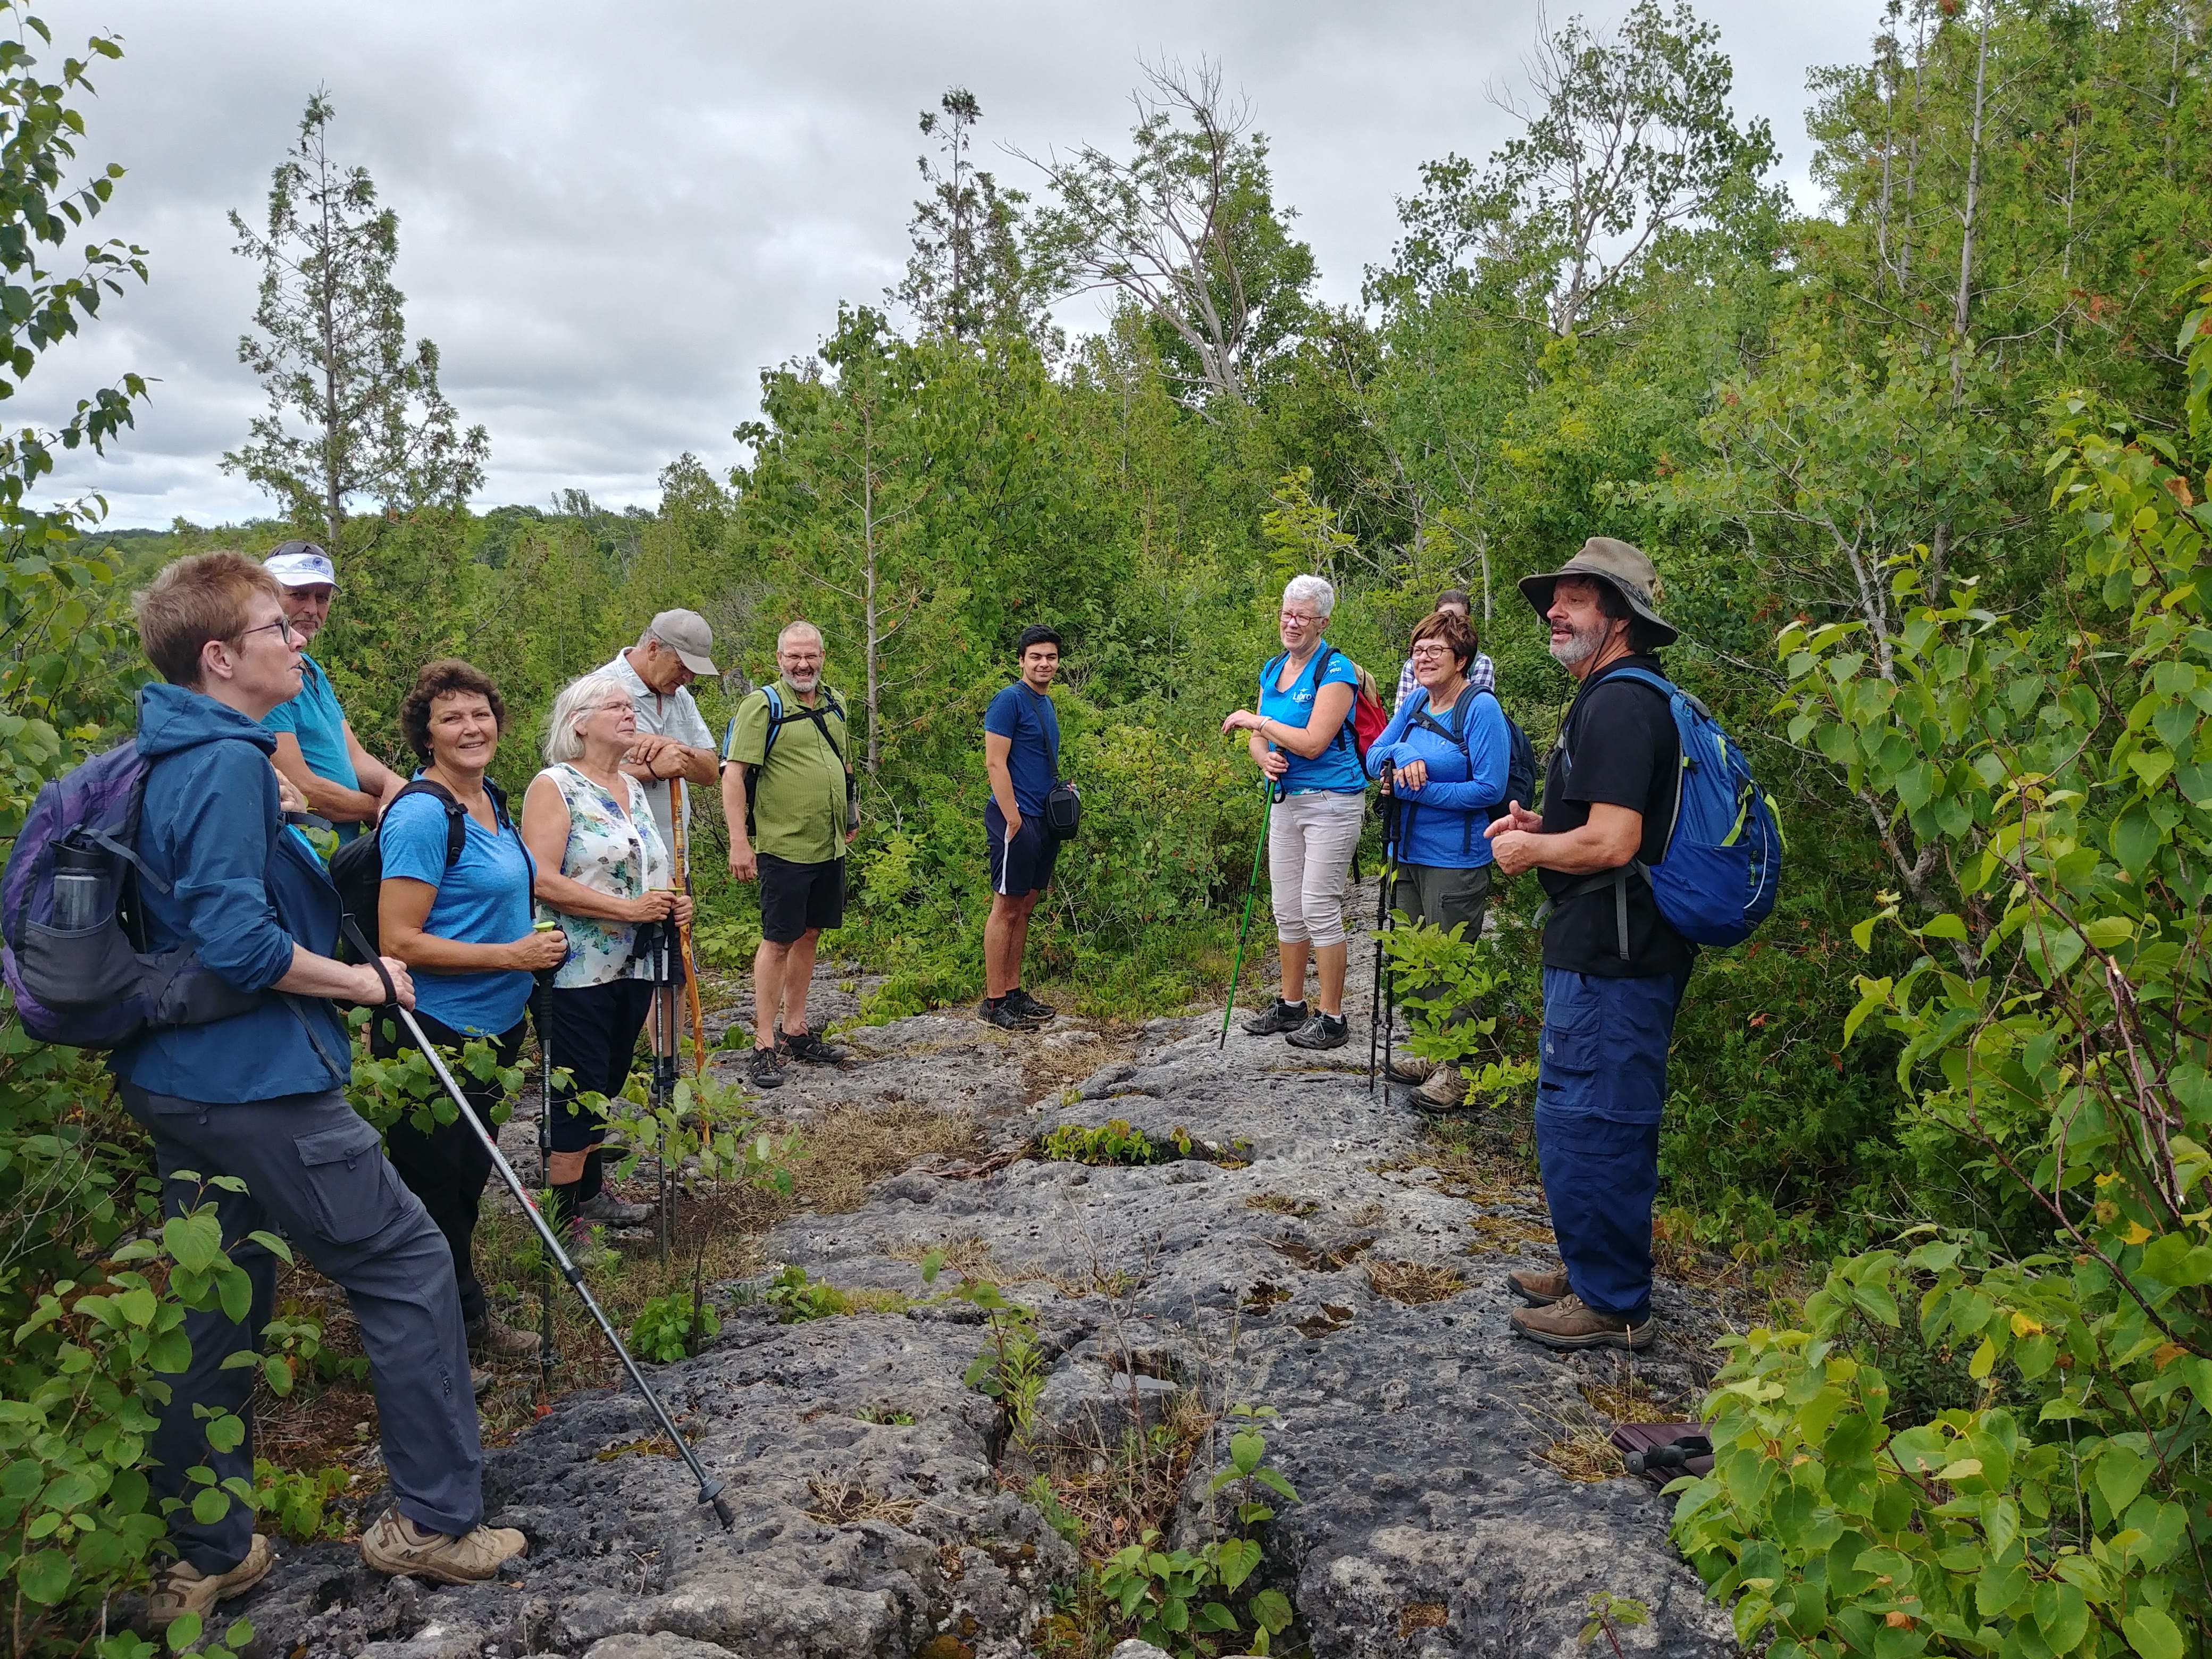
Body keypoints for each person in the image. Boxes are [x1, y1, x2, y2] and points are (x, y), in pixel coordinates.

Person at [114, 554, 522, 1629]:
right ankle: (433, 1523)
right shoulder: (223, 768)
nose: (295, 642)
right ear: (221, 657)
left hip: (180, 1083)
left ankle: (208, 1550)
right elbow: (240, 944)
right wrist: (364, 981)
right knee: (403, 1259)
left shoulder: (174, 754)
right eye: (272, 629)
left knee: (214, 1296)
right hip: (257, 1082)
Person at [1486, 537, 1691, 1353]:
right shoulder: (1621, 698)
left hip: (1617, 953)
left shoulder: (1619, 703)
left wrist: (1530, 851)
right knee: (1583, 1113)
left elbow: (1614, 841)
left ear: (1619, 617)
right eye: (1554, 598)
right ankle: (1592, 1268)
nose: (1554, 612)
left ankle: (1612, 1302)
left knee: (1594, 1118)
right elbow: (1604, 826)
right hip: (1614, 945)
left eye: (1574, 598)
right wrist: (1548, 826)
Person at [375, 659, 567, 1382]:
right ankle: (435, 1348)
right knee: (431, 1198)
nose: (471, 727)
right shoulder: (426, 813)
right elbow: (399, 940)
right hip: (433, 1031)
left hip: (493, 1030)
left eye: (481, 713)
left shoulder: (490, 798)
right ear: (425, 734)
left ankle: (467, 1320)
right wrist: (510, 952)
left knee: (463, 1189)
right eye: (451, 717)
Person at [522, 674, 689, 1251]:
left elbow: (645, 866)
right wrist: (628, 908)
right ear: (580, 722)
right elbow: (539, 878)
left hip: (634, 963)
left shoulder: (630, 787)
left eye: (628, 705)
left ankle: (588, 1191)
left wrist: (670, 901)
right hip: (573, 967)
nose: (628, 712)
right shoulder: (555, 786)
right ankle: (561, 1225)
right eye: (613, 706)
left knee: (607, 1081)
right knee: (576, 1089)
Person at [1364, 607, 1511, 1108]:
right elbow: (1373, 757)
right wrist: (1405, 760)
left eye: (1435, 650)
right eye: (1418, 650)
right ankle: (1430, 1051)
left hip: (1457, 855)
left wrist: (1422, 791)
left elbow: (1490, 787)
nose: (1423, 658)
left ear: (1462, 658)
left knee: (1451, 963)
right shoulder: (1413, 704)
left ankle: (1458, 1069)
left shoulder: (1480, 709)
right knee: (1411, 956)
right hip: (1405, 850)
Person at [1221, 574, 1369, 1050]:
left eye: (1303, 616)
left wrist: (1256, 722)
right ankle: (1290, 1006)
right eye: (1287, 613)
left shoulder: (1337, 671)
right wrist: (1261, 755)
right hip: (1286, 801)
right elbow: (1261, 740)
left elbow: (1313, 742)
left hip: (1333, 801)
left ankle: (1333, 1016)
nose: (1292, 622)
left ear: (1322, 622)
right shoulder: (1273, 668)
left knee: (1318, 906)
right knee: (1286, 908)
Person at [720, 621, 856, 1089]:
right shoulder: (762, 706)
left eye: (810, 656)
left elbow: (844, 763)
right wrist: (741, 842)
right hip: (783, 846)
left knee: (811, 932)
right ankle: (763, 1042)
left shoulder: (836, 702)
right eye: (793, 657)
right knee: (778, 939)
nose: (803, 664)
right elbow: (733, 775)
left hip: (829, 843)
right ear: (779, 659)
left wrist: (851, 814)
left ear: (823, 656)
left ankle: (795, 1028)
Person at [259, 541, 407, 843]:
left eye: (322, 598)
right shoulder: (266, 674)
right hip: (309, 858)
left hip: (342, 860)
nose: (312, 609)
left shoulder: (309, 668)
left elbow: (355, 756)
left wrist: (403, 791)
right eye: (298, 594)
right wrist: (378, 808)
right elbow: (302, 787)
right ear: (268, 597)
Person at [980, 624, 1066, 1032]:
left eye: (1050, 657)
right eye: (1036, 657)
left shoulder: (1044, 703)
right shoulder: (1008, 701)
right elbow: (995, 762)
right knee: (1006, 907)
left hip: (1041, 819)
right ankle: (995, 1002)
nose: (1044, 663)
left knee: (1026, 906)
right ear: (1021, 660)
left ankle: (1013, 993)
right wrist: (1012, 816)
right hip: (1015, 820)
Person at [598, 609, 721, 863]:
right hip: (616, 863)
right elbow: (578, 782)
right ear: (653, 649)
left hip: (673, 859)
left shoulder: (681, 698)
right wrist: (654, 770)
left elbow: (710, 772)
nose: (688, 678)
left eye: (694, 671)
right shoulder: (600, 691)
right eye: (682, 666)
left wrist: (672, 747)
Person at [1392, 588, 1496, 714]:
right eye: (1444, 618)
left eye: (1458, 620)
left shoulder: (1480, 663)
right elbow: (1400, 715)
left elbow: (1478, 711)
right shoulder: (1413, 664)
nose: (1450, 625)